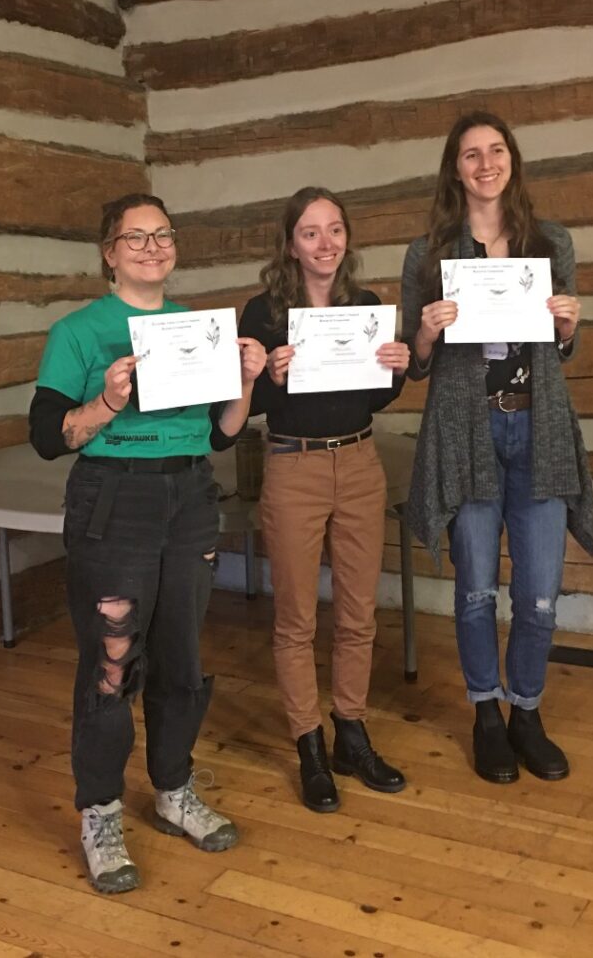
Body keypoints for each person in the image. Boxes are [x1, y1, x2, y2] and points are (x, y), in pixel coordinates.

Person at [28, 192, 266, 893]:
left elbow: (220, 433)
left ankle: (172, 790)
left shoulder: (197, 327)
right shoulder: (79, 332)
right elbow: (47, 437)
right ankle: (100, 813)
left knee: (181, 657)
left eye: (163, 234)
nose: (153, 247)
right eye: (136, 237)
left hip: (190, 498)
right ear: (109, 252)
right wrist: (105, 400)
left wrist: (247, 383)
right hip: (114, 501)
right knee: (112, 664)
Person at [401, 113, 593, 784]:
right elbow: (414, 366)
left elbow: (561, 350)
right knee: (477, 591)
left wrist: (567, 328)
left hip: (537, 432)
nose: (485, 163)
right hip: (468, 433)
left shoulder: (550, 242)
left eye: (496, 150)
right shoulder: (429, 254)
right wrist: (426, 333)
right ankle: (486, 712)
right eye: (470, 154)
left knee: (540, 595)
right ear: (454, 169)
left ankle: (527, 713)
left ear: (512, 159)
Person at [238, 186, 410, 813]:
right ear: (290, 243)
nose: (326, 243)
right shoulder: (262, 312)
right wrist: (267, 378)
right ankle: (309, 744)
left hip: (361, 460)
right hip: (294, 466)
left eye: (335, 230)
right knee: (296, 620)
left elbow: (372, 396)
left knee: (360, 613)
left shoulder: (363, 306)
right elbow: (243, 406)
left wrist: (396, 367)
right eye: (311, 232)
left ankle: (352, 733)